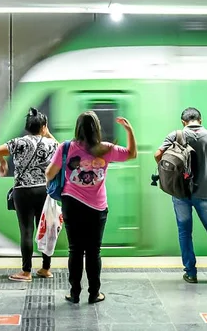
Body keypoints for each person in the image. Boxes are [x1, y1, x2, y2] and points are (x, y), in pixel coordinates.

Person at [45, 111, 137, 304]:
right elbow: (131, 154)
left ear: (77, 128)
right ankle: (94, 293)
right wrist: (129, 131)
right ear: (97, 128)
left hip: (72, 204)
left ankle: (75, 293)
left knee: (75, 250)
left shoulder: (66, 147)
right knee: (94, 251)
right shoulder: (106, 149)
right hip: (97, 207)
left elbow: (49, 173)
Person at [154, 107, 207, 285]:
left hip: (180, 193)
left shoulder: (174, 135)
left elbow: (158, 155)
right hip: (203, 194)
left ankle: (191, 273)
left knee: (185, 232)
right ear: (200, 120)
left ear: (183, 122)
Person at [0, 107, 58, 282]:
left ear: (27, 126)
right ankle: (45, 268)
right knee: (45, 229)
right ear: (43, 126)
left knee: (26, 231)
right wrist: (47, 132)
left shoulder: (19, 142)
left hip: (23, 191)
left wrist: (3, 162)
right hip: (44, 190)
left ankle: (26, 272)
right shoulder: (51, 144)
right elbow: (60, 151)